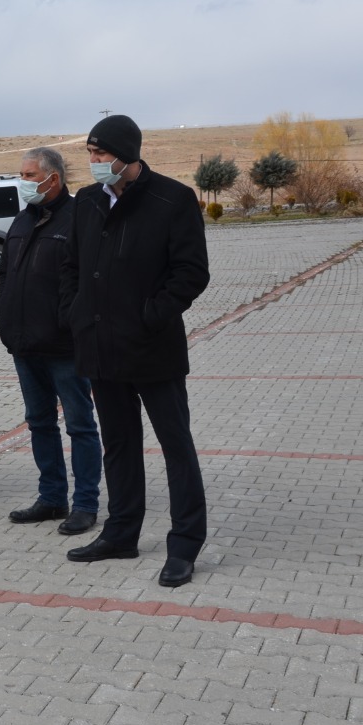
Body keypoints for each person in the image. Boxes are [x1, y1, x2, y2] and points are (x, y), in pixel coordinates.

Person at [59, 114, 210, 587]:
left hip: (152, 350)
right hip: (100, 350)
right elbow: (71, 266)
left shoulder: (173, 199)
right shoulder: (86, 202)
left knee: (175, 446)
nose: (93, 162)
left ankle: (184, 545)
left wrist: (151, 314)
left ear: (128, 155)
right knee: (119, 446)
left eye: (100, 154)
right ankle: (120, 533)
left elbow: (191, 272)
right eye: (89, 153)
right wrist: (75, 311)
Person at [0, 147, 102, 534]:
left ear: (52, 178)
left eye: (28, 175)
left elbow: (88, 280)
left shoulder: (78, 218)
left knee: (80, 425)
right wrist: (3, 313)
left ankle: (85, 504)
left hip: (64, 348)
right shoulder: (22, 221)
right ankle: (52, 497)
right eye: (21, 174)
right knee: (39, 423)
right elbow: (5, 273)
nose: (22, 181)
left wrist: (67, 323)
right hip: (24, 346)